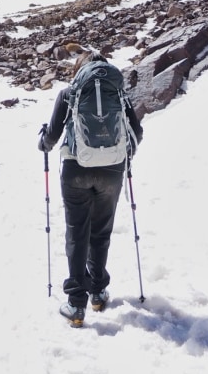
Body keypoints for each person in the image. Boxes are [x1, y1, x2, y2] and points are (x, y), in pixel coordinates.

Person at [37, 51, 143, 328]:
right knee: (101, 231)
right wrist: (120, 155)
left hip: (76, 169)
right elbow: (137, 132)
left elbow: (52, 136)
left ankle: (76, 304)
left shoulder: (69, 92)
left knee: (77, 232)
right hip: (112, 170)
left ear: (80, 70)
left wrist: (43, 143)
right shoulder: (118, 94)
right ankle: (98, 291)